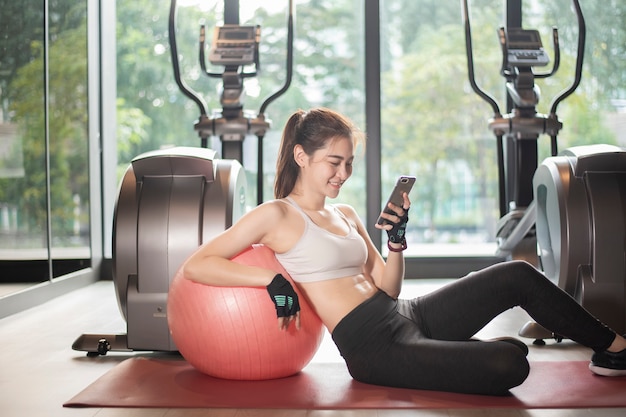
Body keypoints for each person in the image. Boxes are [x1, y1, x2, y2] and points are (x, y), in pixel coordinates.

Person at [183, 107, 626, 396]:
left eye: (349, 162)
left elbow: (388, 287)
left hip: (407, 314)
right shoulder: (276, 215)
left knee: (516, 275)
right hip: (373, 345)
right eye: (333, 162)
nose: (343, 173)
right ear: (301, 156)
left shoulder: (348, 213)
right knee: (510, 364)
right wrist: (272, 279)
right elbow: (198, 264)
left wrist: (396, 240)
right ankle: (465, 351)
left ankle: (614, 347)